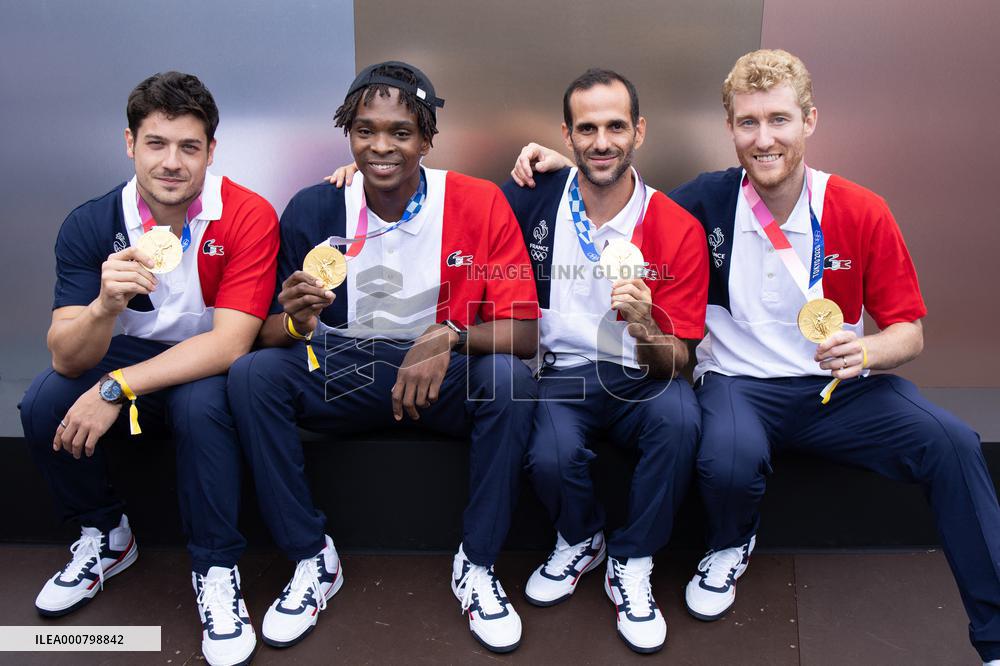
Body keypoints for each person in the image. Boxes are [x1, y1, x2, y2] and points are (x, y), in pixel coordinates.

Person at [511, 48, 1000, 664]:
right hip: (740, 385)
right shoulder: (706, 203)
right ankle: (731, 544)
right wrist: (564, 169)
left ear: (810, 121)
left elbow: (910, 332)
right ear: (731, 130)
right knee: (727, 460)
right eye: (748, 122)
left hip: (840, 388)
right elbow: (626, 193)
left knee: (953, 443)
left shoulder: (860, 209)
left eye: (779, 120)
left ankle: (996, 637)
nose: (764, 138)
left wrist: (870, 348)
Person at [226, 61, 540, 654]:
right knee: (253, 375)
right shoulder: (314, 209)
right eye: (365, 130)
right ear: (348, 133)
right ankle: (311, 559)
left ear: (426, 138)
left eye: (400, 132)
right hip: (344, 374)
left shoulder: (478, 202)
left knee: (510, 381)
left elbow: (523, 332)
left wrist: (446, 335)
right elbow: (269, 333)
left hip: (439, 377)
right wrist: (294, 320)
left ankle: (477, 565)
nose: (381, 146)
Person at [19, 71, 279, 666]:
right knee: (42, 401)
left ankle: (216, 568)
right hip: (126, 350)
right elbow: (66, 354)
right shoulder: (91, 223)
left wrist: (114, 388)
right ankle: (106, 536)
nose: (172, 162)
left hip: (204, 359)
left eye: (189, 146)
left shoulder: (248, 215)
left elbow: (232, 345)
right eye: (156, 143)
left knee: (202, 405)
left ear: (212, 151)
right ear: (129, 143)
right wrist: (105, 305)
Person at [501, 69, 706, 654]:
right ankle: (582, 539)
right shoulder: (533, 200)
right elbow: (446, 203)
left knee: (683, 420)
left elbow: (678, 362)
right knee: (548, 456)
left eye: (616, 126)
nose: (601, 141)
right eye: (586, 128)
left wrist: (643, 320)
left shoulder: (676, 226)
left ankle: (633, 561)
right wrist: (352, 184)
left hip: (645, 373)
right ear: (566, 135)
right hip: (563, 371)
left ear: (638, 131)